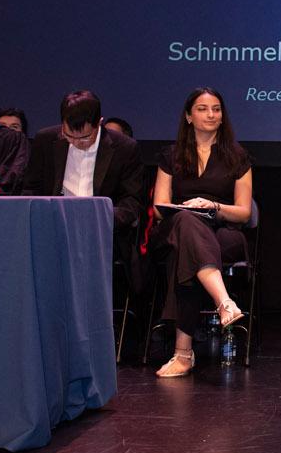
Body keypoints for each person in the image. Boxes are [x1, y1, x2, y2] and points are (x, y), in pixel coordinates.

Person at [150, 88, 253, 378]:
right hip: (175, 228)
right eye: (203, 109)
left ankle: (183, 354)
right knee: (186, 224)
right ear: (188, 116)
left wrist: (214, 206)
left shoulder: (237, 156)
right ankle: (225, 302)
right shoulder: (171, 155)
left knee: (190, 253)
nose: (211, 114)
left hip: (221, 229)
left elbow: (244, 212)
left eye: (217, 109)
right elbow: (159, 208)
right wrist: (187, 210)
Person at [22, 90, 146, 226]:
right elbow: (31, 189)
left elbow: (132, 200)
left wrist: (100, 218)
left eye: (85, 138)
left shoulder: (125, 148)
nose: (76, 142)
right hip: (55, 225)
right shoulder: (45, 140)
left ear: (99, 123)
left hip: (104, 227)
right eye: (69, 136)